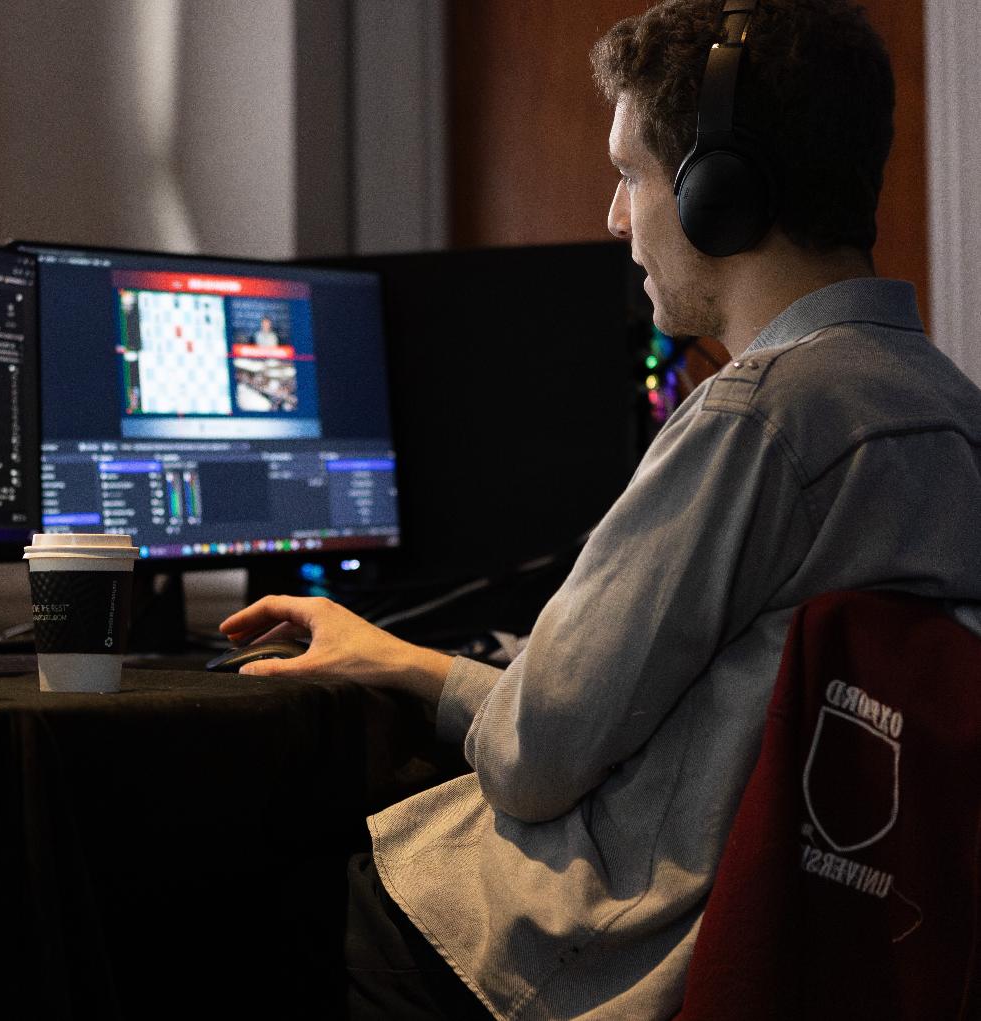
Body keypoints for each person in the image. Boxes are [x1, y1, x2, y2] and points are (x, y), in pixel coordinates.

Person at [218, 1, 981, 1017]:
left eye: (629, 173)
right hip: (792, 953)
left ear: (720, 193)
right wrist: (392, 658)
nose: (617, 218)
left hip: (593, 960)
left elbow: (537, 758)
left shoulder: (755, 422)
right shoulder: (948, 413)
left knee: (234, 879)